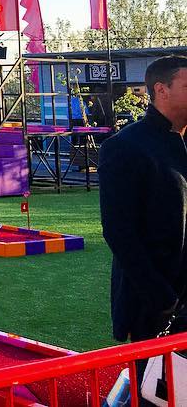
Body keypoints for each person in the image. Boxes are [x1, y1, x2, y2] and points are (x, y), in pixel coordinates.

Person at [99, 55, 187, 348]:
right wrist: (165, 300)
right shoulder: (125, 147)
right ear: (162, 90)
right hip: (156, 307)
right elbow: (119, 232)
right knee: (154, 391)